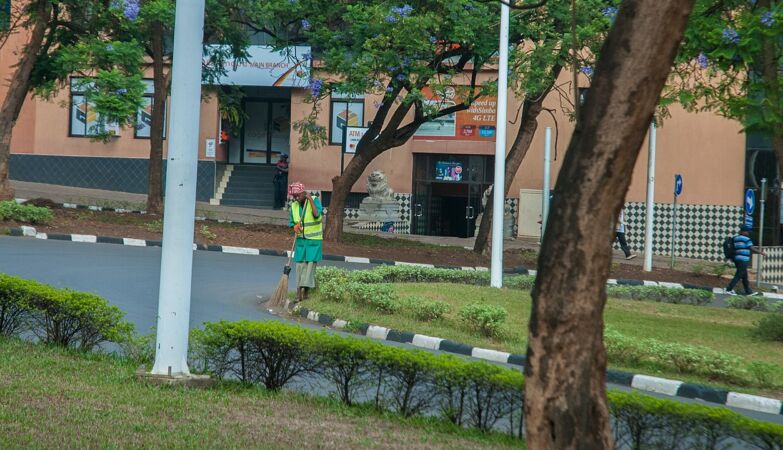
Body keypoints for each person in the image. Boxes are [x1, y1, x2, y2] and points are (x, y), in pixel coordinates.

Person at [288, 182, 323, 302]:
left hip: (314, 241)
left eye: (298, 195)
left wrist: (310, 200)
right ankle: (298, 293)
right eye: (294, 196)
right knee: (300, 266)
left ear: (304, 193)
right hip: (301, 241)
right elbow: (292, 221)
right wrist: (294, 226)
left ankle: (306, 292)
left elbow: (317, 214)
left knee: (309, 267)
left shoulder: (314, 200)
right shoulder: (294, 206)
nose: (296, 198)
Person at [725, 225, 767, 296]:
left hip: (737, 259)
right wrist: (761, 252)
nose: (748, 233)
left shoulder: (735, 238)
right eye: (747, 232)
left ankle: (748, 291)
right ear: (744, 231)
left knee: (744, 276)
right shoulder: (746, 239)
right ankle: (728, 289)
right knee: (739, 275)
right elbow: (751, 248)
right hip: (743, 259)